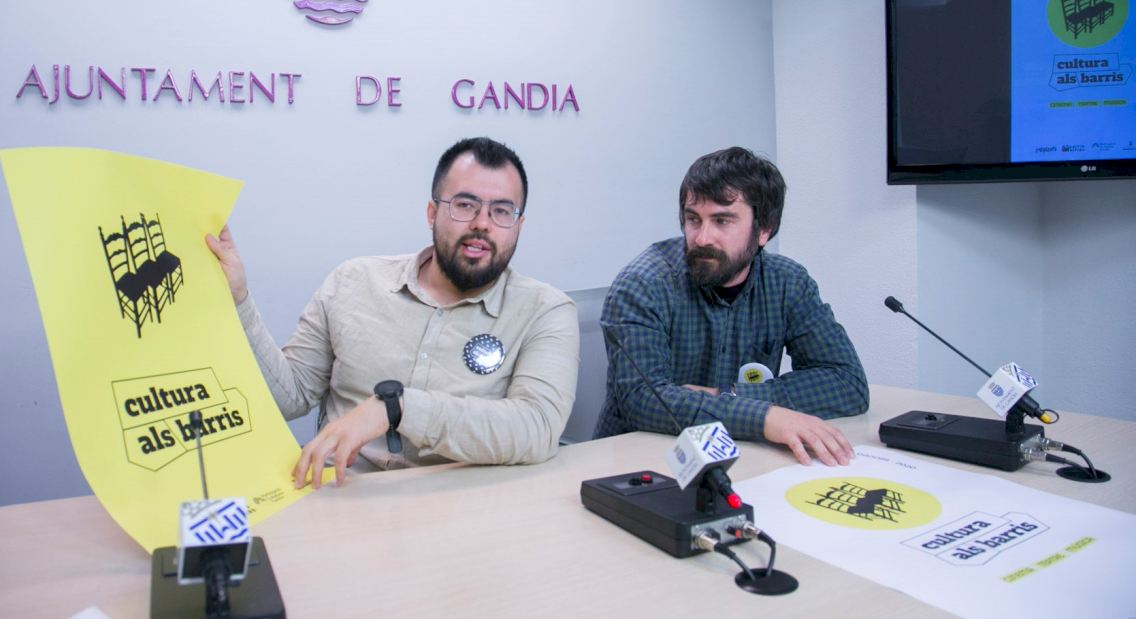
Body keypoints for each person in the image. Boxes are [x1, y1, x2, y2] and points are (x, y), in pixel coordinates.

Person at [207, 137, 579, 488]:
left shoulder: (545, 311)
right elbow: (289, 397)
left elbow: (538, 429)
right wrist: (237, 300)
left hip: (462, 508)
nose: (482, 223)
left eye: (501, 211)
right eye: (465, 205)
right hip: (342, 499)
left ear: (518, 225)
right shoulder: (352, 281)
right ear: (432, 213)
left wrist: (398, 409)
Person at [593, 147, 868, 466]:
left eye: (722, 221)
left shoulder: (788, 283)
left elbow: (847, 383)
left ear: (764, 230)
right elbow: (643, 401)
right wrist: (765, 417)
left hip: (746, 458)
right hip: (644, 462)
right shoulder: (643, 284)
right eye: (693, 219)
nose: (702, 238)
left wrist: (730, 395)